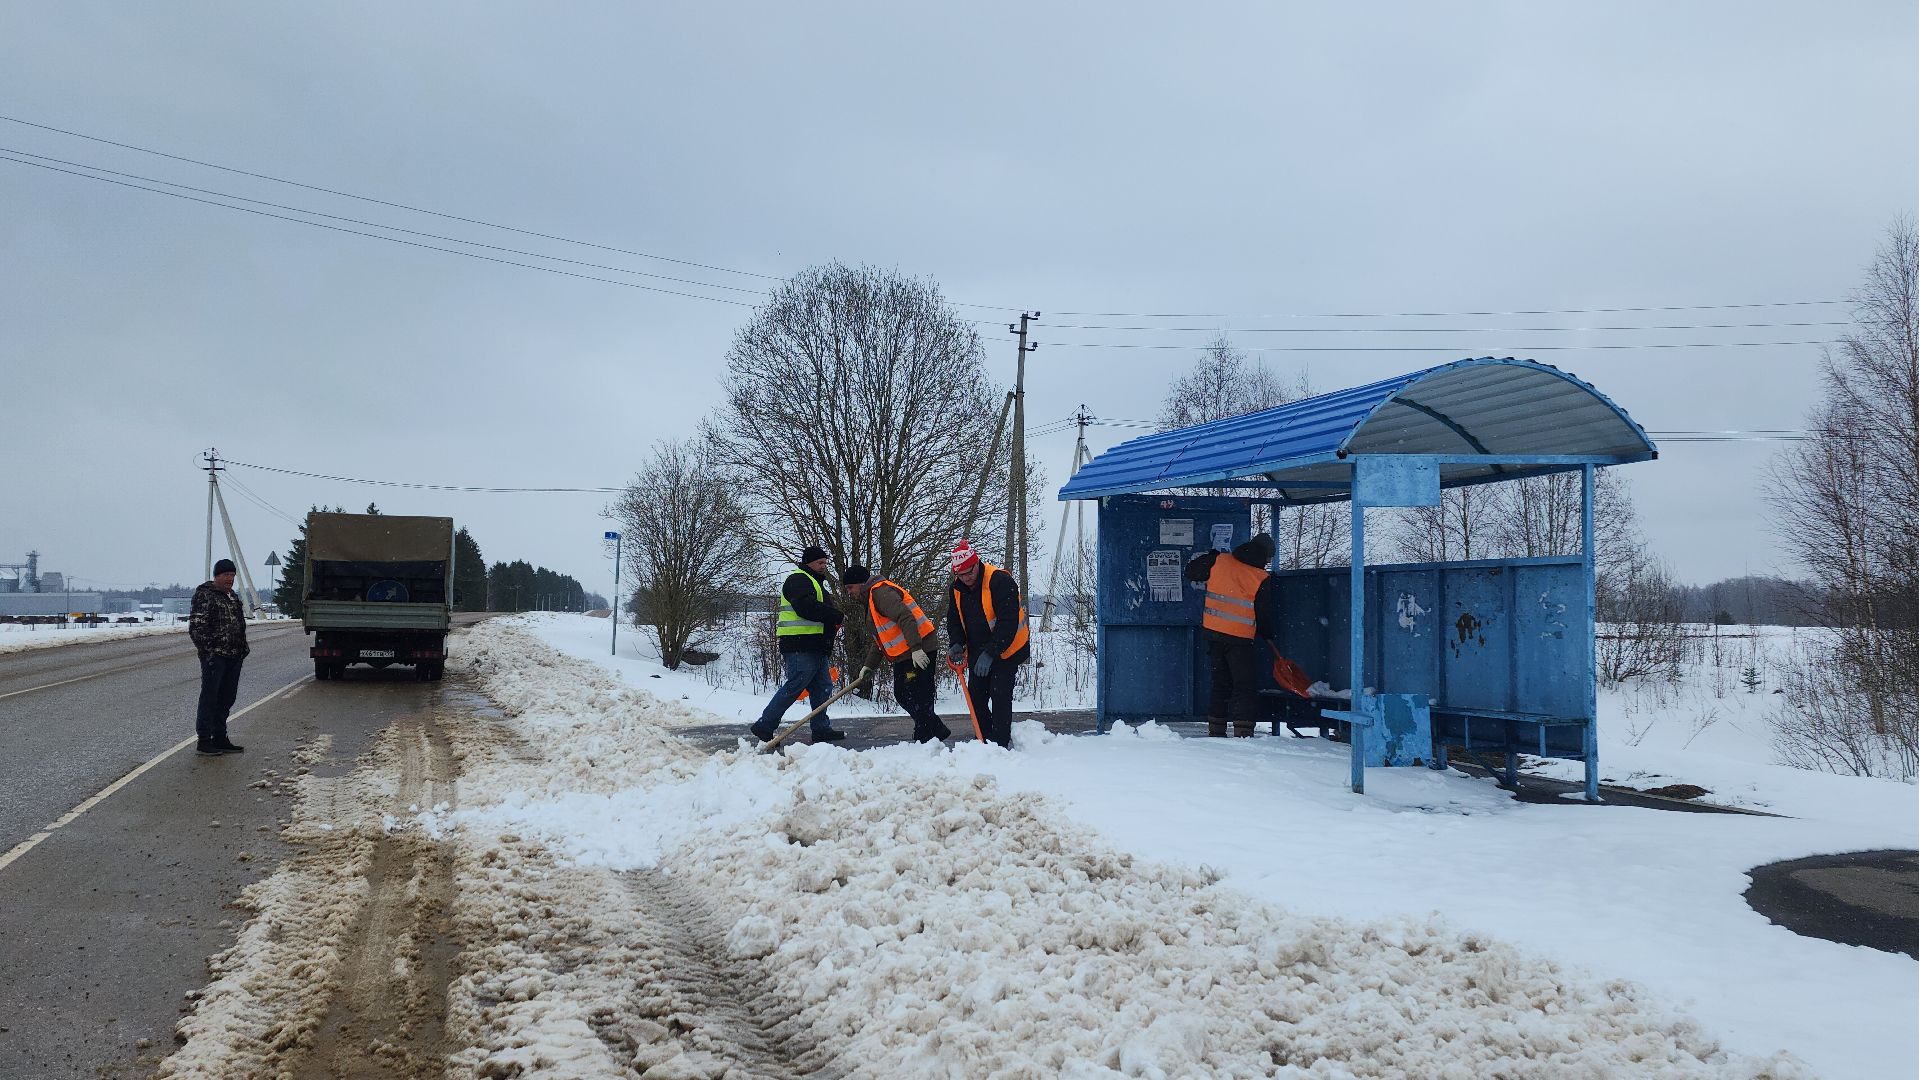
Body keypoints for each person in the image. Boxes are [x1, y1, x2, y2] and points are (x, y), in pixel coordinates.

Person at [749, 546, 847, 744]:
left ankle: (821, 729)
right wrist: (835, 616)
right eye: (820, 562)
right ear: (808, 562)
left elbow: (820, 611)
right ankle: (765, 725)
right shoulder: (798, 580)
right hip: (799, 645)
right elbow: (805, 608)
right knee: (796, 685)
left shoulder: (815, 583)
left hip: (815, 646)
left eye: (825, 563)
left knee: (823, 687)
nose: (824, 566)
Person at [1184, 532, 1279, 737]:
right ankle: (1243, 730)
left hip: (1214, 633)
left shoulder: (1220, 560)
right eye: (1269, 558)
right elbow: (1263, 612)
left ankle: (1216, 728)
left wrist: (1210, 555)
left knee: (1220, 681)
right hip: (1240, 638)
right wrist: (1268, 634)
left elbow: (1191, 572)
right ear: (1264, 555)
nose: (1269, 562)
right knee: (1244, 685)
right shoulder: (1260, 577)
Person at [842, 565, 950, 744]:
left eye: (850, 588)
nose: (849, 592)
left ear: (860, 584)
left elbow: (905, 617)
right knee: (910, 694)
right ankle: (931, 731)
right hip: (905, 654)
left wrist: (916, 648)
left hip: (920, 650)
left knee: (913, 694)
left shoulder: (880, 593)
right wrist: (869, 665)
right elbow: (882, 639)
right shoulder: (870, 600)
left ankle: (929, 733)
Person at [945, 540, 1029, 748]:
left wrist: (991, 653)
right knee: (977, 695)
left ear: (977, 564)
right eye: (961, 575)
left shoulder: (999, 581)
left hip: (1007, 647)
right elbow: (954, 619)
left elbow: (1008, 622)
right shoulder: (957, 589)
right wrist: (957, 643)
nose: (967, 578)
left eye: (969, 572)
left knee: (999, 693)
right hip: (977, 648)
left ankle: (1000, 744)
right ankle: (983, 740)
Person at [189, 558, 249, 756]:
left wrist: (243, 649)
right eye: (226, 575)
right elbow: (197, 628)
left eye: (232, 575)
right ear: (216, 576)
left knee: (226, 698)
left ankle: (220, 738)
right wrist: (209, 653)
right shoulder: (205, 596)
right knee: (210, 698)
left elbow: (238, 624)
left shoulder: (232, 597)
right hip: (216, 658)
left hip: (234, 656)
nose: (230, 579)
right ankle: (204, 740)